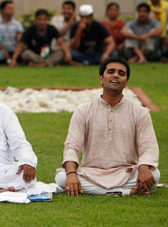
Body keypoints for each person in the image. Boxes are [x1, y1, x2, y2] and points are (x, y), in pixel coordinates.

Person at [55, 57, 160, 196]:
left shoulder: (140, 113)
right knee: (62, 178)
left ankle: (103, 191)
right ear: (101, 79)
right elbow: (71, 146)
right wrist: (72, 173)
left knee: (154, 175)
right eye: (111, 71)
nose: (116, 75)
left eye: (121, 73)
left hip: (126, 172)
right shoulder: (84, 110)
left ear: (126, 82)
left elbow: (149, 146)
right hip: (91, 172)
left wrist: (144, 168)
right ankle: (126, 192)